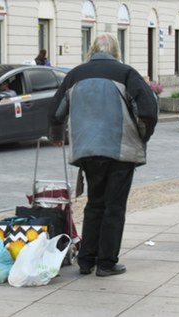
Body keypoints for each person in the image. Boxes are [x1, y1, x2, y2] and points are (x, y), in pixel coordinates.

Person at [48, 33, 158, 277]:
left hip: (88, 150)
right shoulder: (127, 73)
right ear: (116, 51)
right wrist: (143, 135)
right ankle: (106, 263)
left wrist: (55, 134)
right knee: (114, 207)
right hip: (120, 150)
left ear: (92, 50)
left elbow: (55, 112)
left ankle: (86, 261)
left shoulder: (75, 75)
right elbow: (148, 111)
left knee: (94, 203)